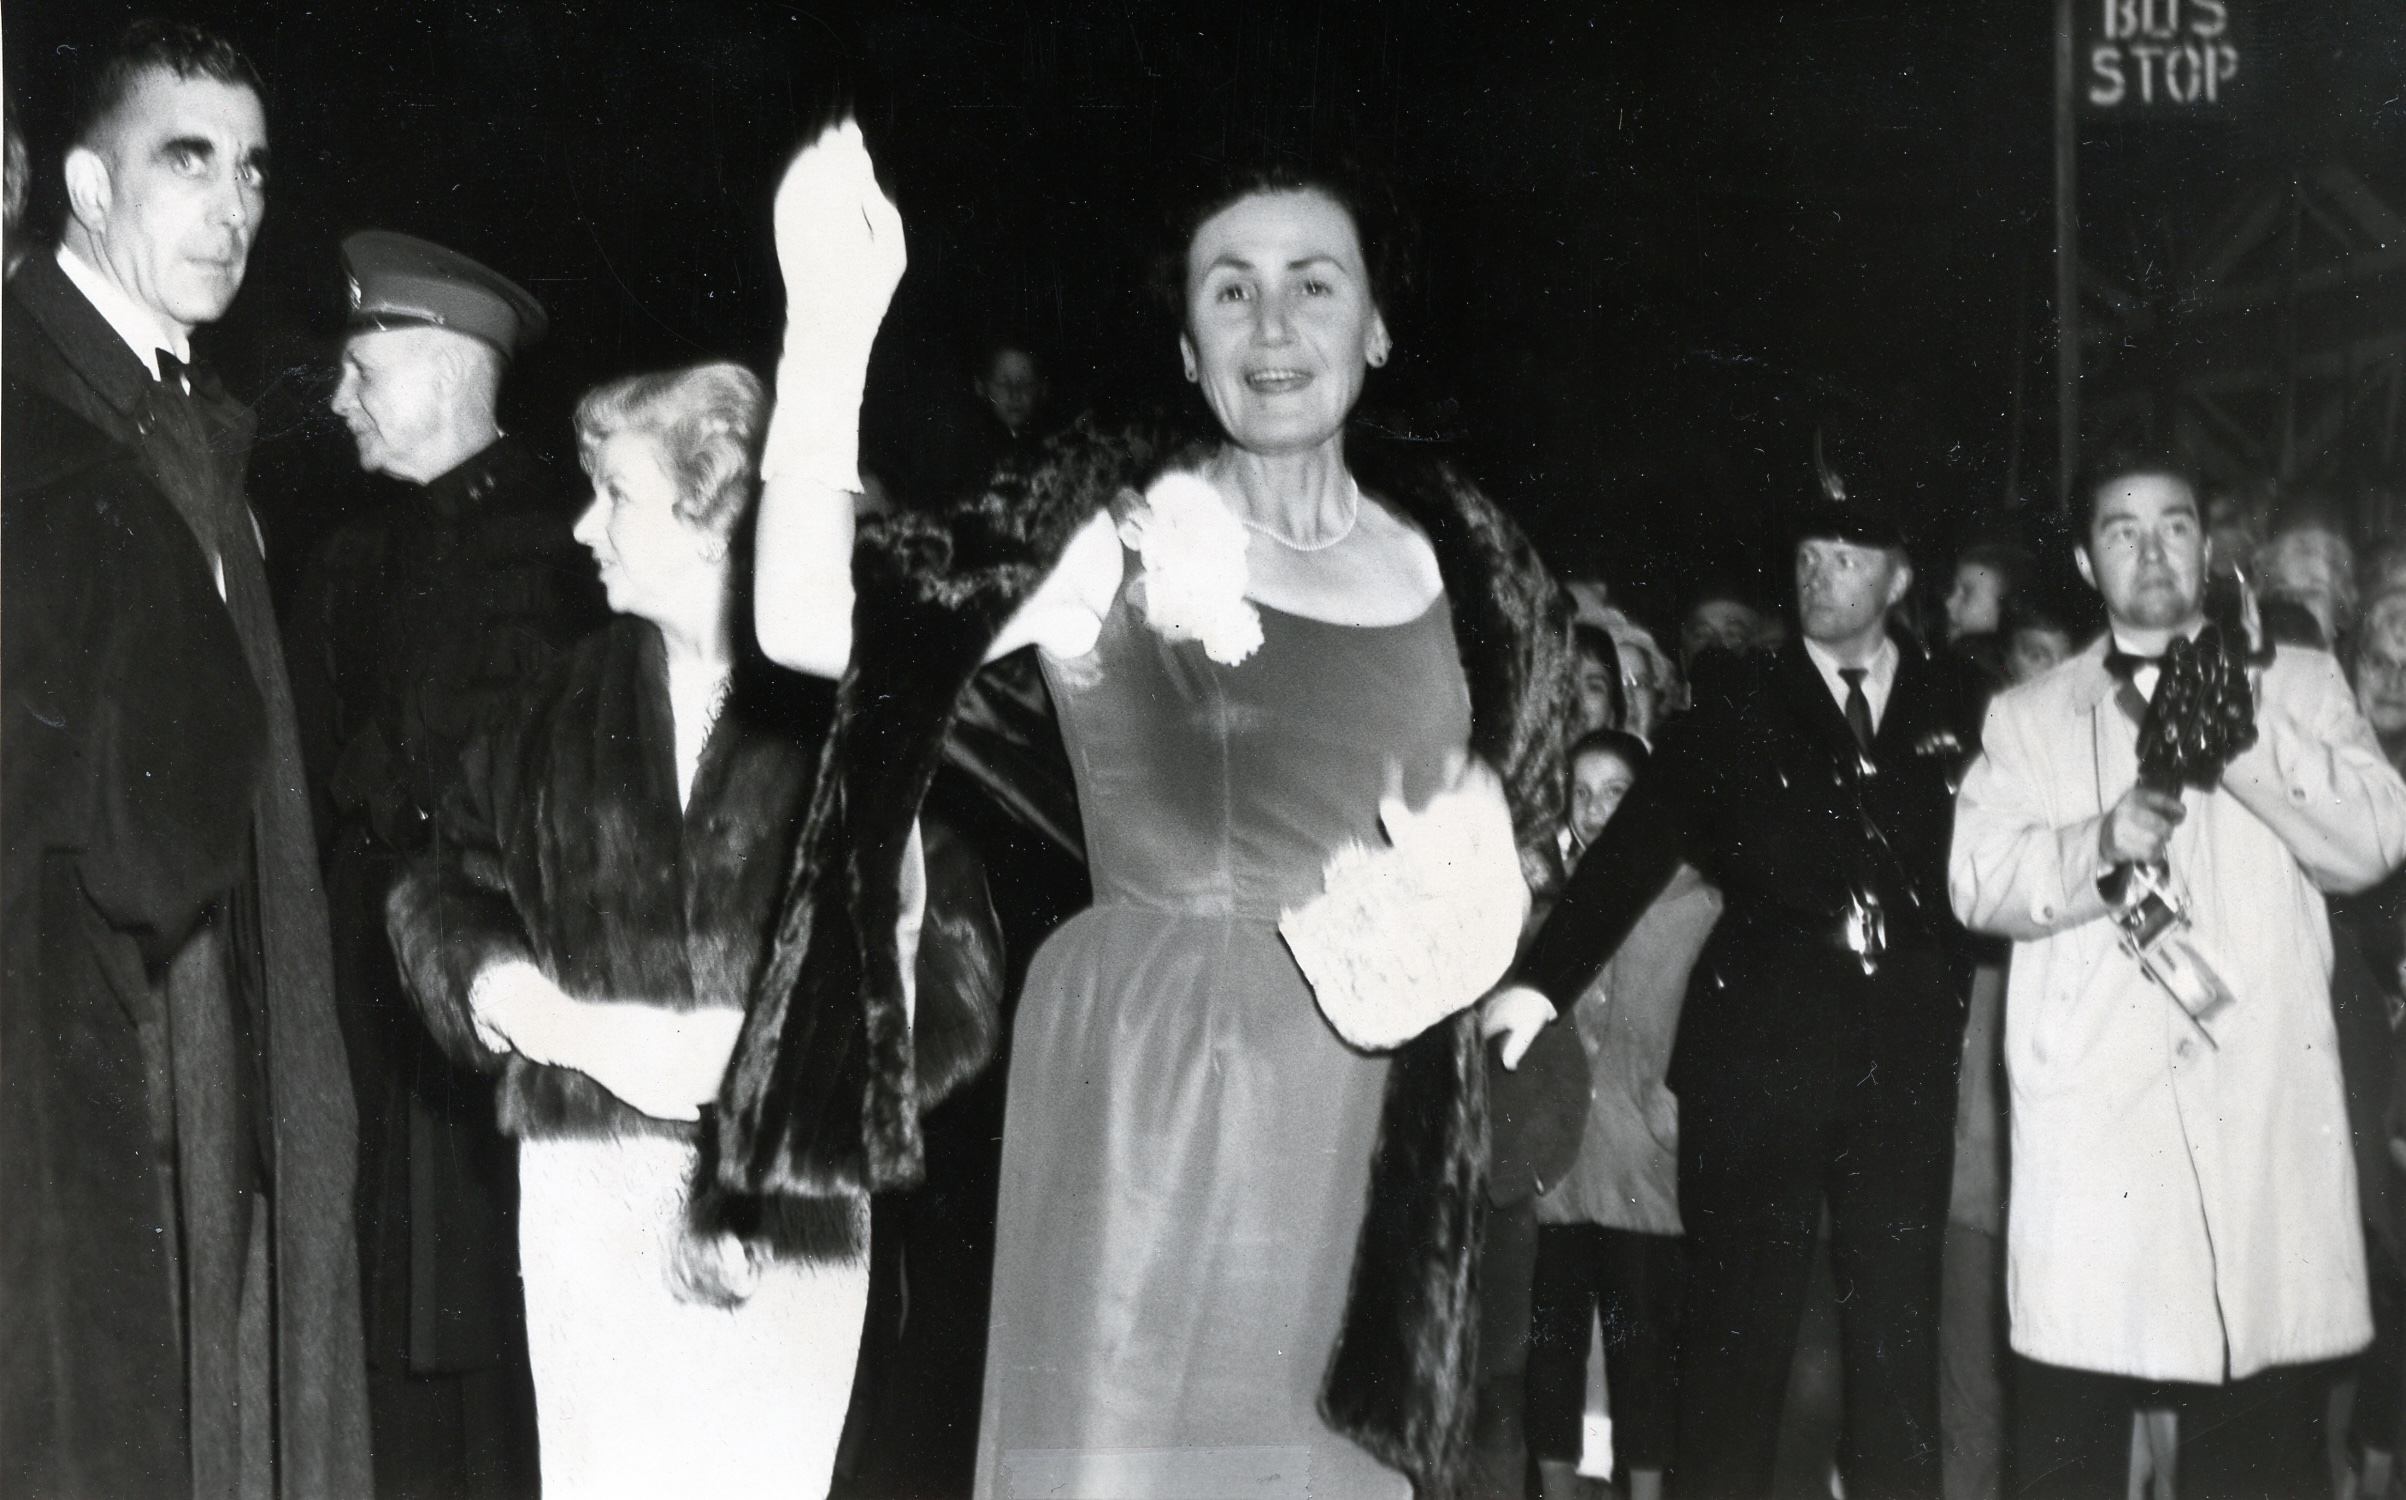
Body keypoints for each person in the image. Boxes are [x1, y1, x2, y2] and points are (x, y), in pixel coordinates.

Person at [713, 125, 1578, 1500]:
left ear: (1378, 325)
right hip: (1152, 1106)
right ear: (1184, 343)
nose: (1273, 322)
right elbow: (805, 625)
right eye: (1227, 288)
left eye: (1313, 281)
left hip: (1370, 1137)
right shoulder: (1113, 538)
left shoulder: (1463, 570)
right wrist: (827, 331)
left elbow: (1511, 835)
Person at [386, 361, 1002, 1499]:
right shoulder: (551, 707)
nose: (582, 528)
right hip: (585, 1193)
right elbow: (440, 893)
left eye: (614, 494)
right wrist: (535, 1009)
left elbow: (956, 975)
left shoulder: (857, 712)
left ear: (718, 508)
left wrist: (793, 1070)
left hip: (792, 1201)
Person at [0, 23, 372, 1497]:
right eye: (189, 160)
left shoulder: (182, 411)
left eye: (254, 170)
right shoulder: (56, 412)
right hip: (105, 1056)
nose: (234, 206)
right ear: (88, 184)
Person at [1512, 464, 1985, 1500]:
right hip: (1756, 1067)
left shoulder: (1963, 702)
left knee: (1896, 1342)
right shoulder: (1737, 702)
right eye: (1808, 558)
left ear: (1900, 578)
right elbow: (1632, 851)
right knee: (1736, 1344)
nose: (1821, 576)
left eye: (1848, 558)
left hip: (1899, 1068)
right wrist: (1542, 982)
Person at [1949, 458, 2406, 1498]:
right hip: (2099, 1141)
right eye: (2121, 531)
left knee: (2255, 1448)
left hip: (2254, 1129)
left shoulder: (2297, 681)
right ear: (2083, 560)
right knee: (2067, 1450)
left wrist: (2240, 736)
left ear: (2209, 545)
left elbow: (2374, 838)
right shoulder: (2031, 717)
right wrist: (2095, 845)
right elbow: (1977, 881)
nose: (2152, 552)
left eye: (2175, 526)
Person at [286, 229, 604, 1498]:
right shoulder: (340, 563)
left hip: (524, 1018)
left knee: (519, 1362)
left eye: (366, 365)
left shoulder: (585, 544)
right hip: (372, 1023)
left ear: (453, 363)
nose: (337, 395)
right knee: (384, 1348)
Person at [1526, 729, 1709, 1500]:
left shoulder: (1696, 899)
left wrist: (1681, 1094)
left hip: (1642, 1163)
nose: (1597, 812)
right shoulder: (1546, 897)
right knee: (1553, 1350)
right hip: (1557, 1164)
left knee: (1642, 1360)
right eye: (1582, 794)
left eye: (1616, 794)